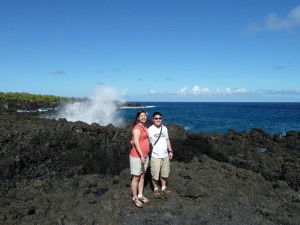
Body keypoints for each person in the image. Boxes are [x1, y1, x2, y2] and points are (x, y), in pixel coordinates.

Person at [148, 112, 173, 198]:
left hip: (165, 155)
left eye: (159, 118)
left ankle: (163, 187)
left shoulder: (165, 128)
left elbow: (167, 140)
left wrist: (170, 151)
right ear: (153, 120)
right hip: (155, 156)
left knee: (165, 173)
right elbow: (144, 140)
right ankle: (155, 189)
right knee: (155, 174)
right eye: (156, 118)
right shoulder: (150, 130)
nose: (158, 120)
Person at [129, 110, 150, 208]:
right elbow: (137, 143)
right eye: (141, 116)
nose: (143, 117)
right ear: (138, 117)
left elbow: (137, 140)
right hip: (137, 156)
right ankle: (134, 198)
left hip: (145, 155)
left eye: (144, 116)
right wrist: (141, 155)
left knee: (142, 176)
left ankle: (140, 195)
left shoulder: (144, 127)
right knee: (136, 177)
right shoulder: (137, 128)